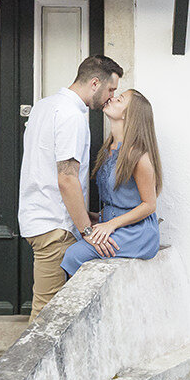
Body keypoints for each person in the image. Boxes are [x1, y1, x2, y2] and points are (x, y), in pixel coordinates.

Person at [18, 54, 124, 319]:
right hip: (55, 226)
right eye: (111, 89)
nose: (111, 96)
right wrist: (86, 229)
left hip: (41, 216)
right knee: (47, 316)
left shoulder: (44, 106)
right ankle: (27, 363)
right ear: (95, 83)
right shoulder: (72, 116)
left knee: (52, 311)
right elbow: (66, 177)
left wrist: (82, 213)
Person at [61, 89, 162, 278]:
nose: (112, 98)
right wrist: (98, 217)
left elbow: (149, 205)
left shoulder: (137, 155)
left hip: (137, 232)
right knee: (73, 247)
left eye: (120, 99)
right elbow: (118, 197)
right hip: (113, 224)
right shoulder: (109, 149)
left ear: (128, 114)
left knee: (75, 255)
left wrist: (111, 224)